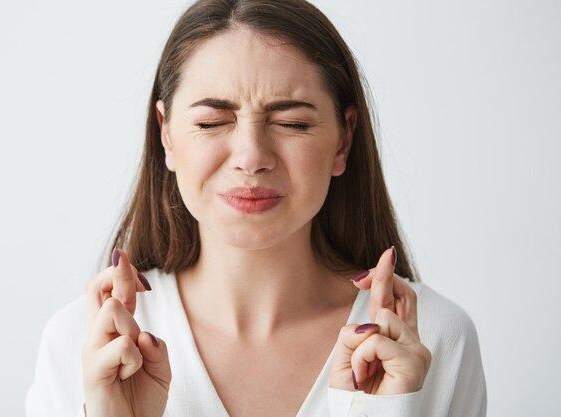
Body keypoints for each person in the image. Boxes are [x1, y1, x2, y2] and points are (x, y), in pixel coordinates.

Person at [26, 0, 487, 416]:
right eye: (211, 121)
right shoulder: (81, 345)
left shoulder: (436, 339)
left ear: (343, 140)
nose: (251, 157)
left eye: (291, 122)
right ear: (166, 134)